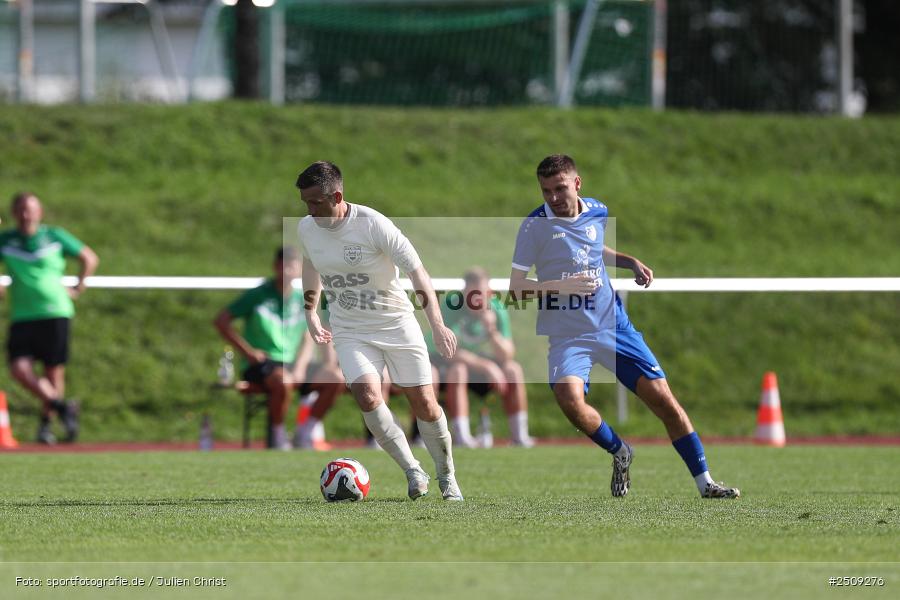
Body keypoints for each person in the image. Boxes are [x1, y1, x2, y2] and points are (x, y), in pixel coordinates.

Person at [509, 155, 740, 498]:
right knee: (569, 402)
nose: (553, 198)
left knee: (665, 402)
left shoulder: (598, 210)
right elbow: (515, 289)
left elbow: (590, 247)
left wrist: (628, 261)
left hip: (613, 327)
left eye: (560, 188)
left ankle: (706, 483)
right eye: (546, 191)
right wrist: (562, 286)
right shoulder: (533, 227)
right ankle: (620, 450)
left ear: (577, 184)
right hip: (568, 335)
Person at [295, 160, 463, 501]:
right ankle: (412, 470)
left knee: (424, 403)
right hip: (350, 329)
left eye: (315, 202)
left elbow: (418, 273)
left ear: (337, 195)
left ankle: (447, 475)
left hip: (397, 324)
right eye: (305, 202)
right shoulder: (307, 228)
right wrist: (310, 310)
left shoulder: (374, 225)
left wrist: (438, 325)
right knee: (368, 396)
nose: (309, 210)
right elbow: (311, 265)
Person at [214, 246, 343, 450]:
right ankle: (278, 436)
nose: (287, 270)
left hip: (292, 362)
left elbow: (308, 334)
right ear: (275, 266)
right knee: (282, 380)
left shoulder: (304, 297)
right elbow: (221, 321)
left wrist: (301, 365)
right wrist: (248, 352)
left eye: (292, 265)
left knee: (335, 377)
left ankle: (305, 433)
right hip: (263, 363)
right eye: (283, 265)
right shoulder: (258, 295)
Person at [0, 192, 98, 444]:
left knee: (53, 371)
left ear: (39, 212)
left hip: (55, 311)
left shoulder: (53, 236)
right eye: (21, 209)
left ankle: (46, 426)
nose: (25, 214)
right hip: (22, 314)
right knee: (19, 369)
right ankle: (63, 407)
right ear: (13, 213)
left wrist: (79, 286)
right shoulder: (6, 240)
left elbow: (89, 257)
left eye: (30, 209)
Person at [431, 267, 533, 448]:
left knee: (513, 369)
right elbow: (449, 352)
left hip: (478, 363)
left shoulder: (497, 308)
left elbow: (507, 354)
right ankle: (463, 437)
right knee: (458, 370)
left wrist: (492, 331)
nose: (476, 300)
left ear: (490, 293)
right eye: (471, 294)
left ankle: (520, 437)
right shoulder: (451, 305)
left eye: (481, 294)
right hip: (447, 363)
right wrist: (487, 366)